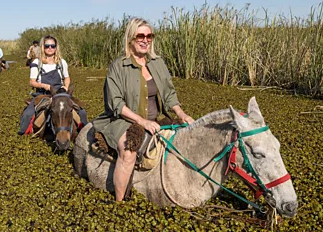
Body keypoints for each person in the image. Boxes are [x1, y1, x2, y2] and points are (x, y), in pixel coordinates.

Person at [92, 17, 195, 201]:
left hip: (156, 119)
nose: (145, 40)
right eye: (140, 36)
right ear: (131, 38)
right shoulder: (118, 66)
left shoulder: (158, 63)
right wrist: (142, 121)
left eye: (149, 36)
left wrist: (181, 114)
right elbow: (115, 103)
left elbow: (169, 94)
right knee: (128, 152)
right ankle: (120, 200)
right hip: (125, 119)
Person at [18, 35, 87, 135]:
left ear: (56, 47)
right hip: (43, 94)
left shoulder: (61, 62)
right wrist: (45, 86)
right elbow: (32, 82)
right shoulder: (37, 62)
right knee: (28, 114)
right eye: (47, 46)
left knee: (82, 112)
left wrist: (66, 87)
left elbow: (67, 78)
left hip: (59, 94)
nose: (50, 48)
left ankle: (84, 133)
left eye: (52, 46)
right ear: (43, 47)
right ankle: (23, 131)